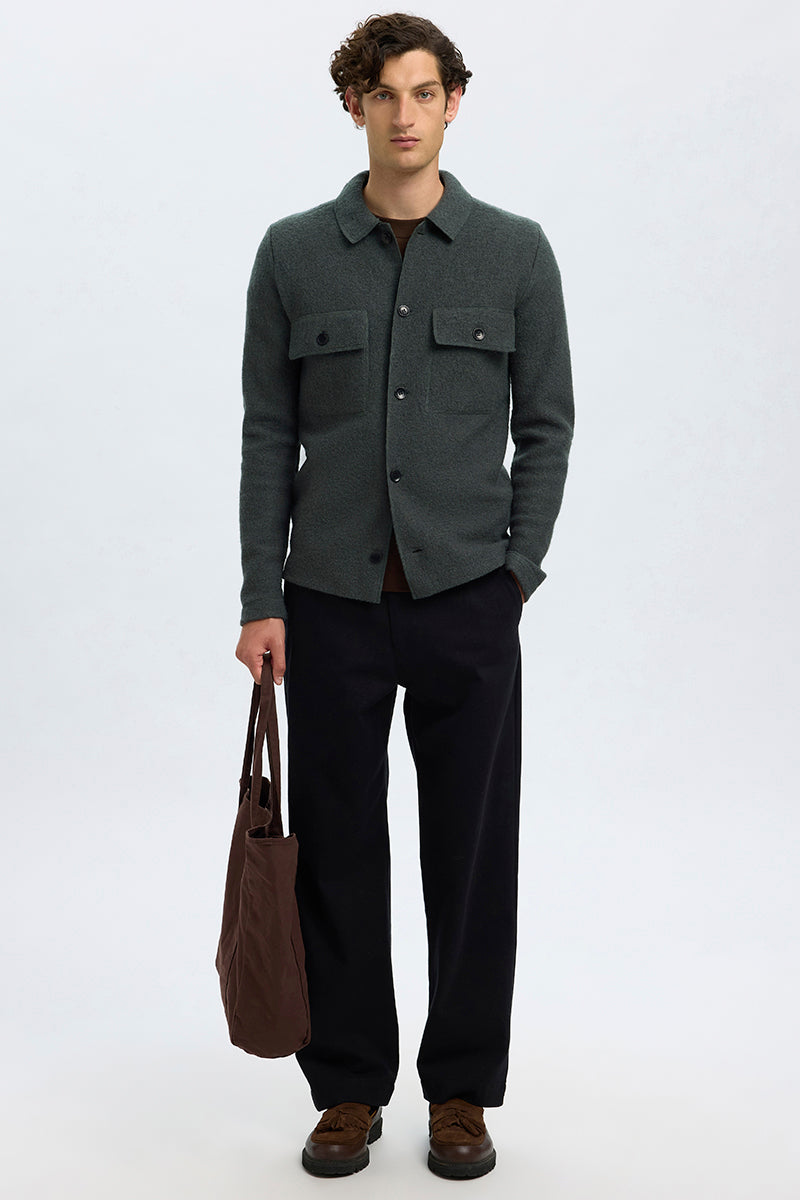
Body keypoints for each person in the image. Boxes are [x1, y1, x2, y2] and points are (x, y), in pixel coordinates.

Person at [234, 11, 574, 1180]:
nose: (404, 114)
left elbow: (546, 425)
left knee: (469, 852)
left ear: (452, 103)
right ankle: (346, 1087)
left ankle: (461, 1090)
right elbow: (267, 435)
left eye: (424, 92)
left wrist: (514, 572)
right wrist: (260, 597)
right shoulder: (292, 254)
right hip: (326, 602)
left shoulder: (514, 253)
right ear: (353, 106)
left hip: (466, 600)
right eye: (382, 93)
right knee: (336, 848)